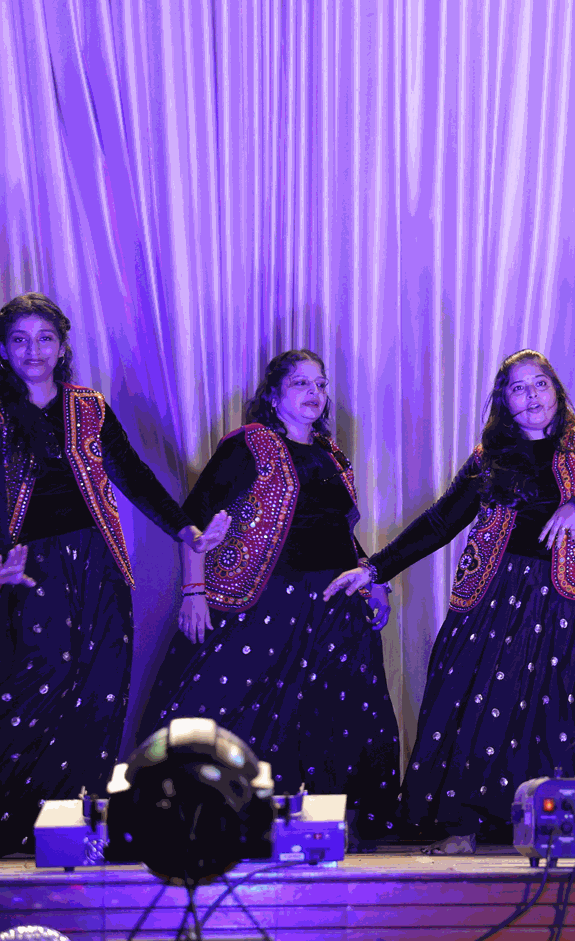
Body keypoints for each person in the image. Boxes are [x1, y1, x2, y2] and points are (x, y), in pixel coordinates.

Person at [324, 349, 575, 855]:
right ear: (505, 400)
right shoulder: (491, 457)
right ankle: (464, 826)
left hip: (571, 596)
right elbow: (440, 521)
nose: (532, 396)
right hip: (498, 596)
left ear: (556, 388)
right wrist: (374, 569)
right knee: (487, 709)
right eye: (518, 388)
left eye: (540, 383)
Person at [0, 292, 227, 856]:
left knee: (100, 692)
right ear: (3, 350)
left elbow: (134, 476)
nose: (33, 351)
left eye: (45, 339)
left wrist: (185, 531)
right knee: (33, 689)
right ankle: (12, 826)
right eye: (20, 340)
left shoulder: (88, 407)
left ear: (62, 347)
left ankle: (75, 828)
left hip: (100, 565)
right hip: (28, 570)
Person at [143, 350, 401, 845]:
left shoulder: (331, 453)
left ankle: (327, 825)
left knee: (337, 716)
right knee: (239, 707)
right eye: (301, 383)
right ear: (274, 394)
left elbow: (336, 531)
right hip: (264, 601)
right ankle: (226, 820)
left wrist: (374, 580)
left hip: (333, 604)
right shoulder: (248, 444)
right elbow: (194, 520)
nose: (314, 393)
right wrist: (194, 590)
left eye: (320, 384)